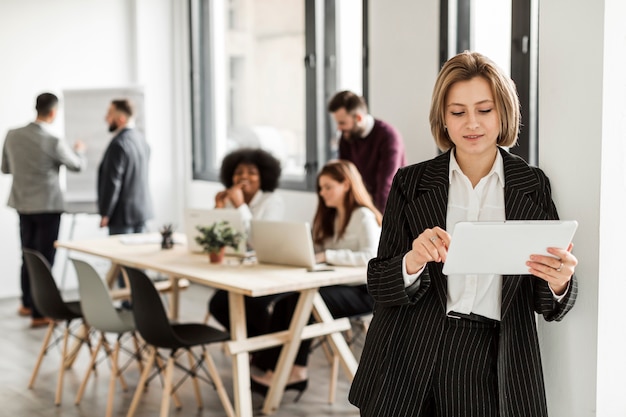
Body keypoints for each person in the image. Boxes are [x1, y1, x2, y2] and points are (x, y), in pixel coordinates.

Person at [348, 51, 579, 417]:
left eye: (484, 110)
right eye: (458, 112)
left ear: (503, 112)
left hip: (493, 356)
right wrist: (413, 260)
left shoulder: (532, 185)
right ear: (443, 117)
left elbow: (545, 301)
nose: (472, 123)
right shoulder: (411, 182)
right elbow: (378, 282)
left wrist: (560, 281)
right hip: (408, 351)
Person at [249, 159, 382, 397]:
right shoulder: (329, 217)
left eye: (328, 187)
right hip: (336, 285)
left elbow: (371, 256)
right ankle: (271, 366)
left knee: (304, 303)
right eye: (320, 188)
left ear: (346, 185)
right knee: (286, 301)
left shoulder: (363, 216)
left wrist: (326, 255)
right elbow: (315, 251)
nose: (322, 193)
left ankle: (296, 371)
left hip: (365, 292)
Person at [1, 92, 86, 327]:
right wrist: (78, 150)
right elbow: (77, 166)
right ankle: (40, 313)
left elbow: (5, 168)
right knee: (45, 260)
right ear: (53, 113)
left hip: (22, 204)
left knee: (27, 255)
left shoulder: (12, 135)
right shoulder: (53, 141)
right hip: (47, 206)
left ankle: (27, 303)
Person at [208, 147, 285, 336]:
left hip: (265, 271)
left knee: (252, 304)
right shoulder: (228, 199)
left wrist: (240, 206)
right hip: (236, 269)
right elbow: (214, 237)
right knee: (218, 304)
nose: (244, 177)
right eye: (238, 172)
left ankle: (264, 349)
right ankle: (252, 345)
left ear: (263, 176)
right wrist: (218, 208)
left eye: (252, 173)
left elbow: (259, 241)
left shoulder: (272, 201)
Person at [328, 90, 406, 213]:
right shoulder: (347, 136)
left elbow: (386, 186)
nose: (339, 128)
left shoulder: (388, 137)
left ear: (358, 118)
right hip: (361, 208)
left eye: (342, 123)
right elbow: (345, 175)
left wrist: (379, 222)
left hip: (389, 210)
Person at [97, 99, 153, 235]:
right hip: (142, 212)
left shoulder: (119, 144)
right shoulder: (141, 139)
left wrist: (105, 213)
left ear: (121, 119)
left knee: (119, 255)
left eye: (109, 113)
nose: (106, 118)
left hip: (122, 216)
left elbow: (112, 182)